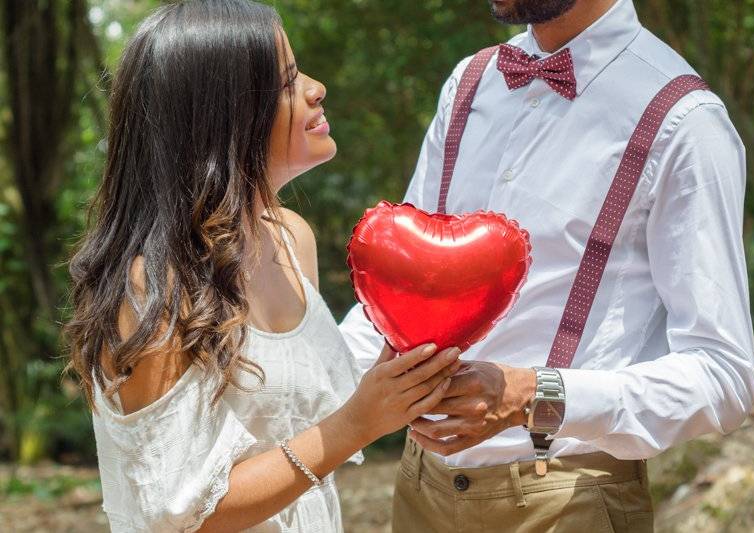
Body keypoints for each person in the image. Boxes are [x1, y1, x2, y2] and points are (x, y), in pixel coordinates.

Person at [339, 0, 754, 531]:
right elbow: (393, 293)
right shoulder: (468, 84)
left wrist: (533, 396)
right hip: (419, 489)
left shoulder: (684, 120)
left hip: (567, 499)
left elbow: (723, 375)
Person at [64, 1, 461, 531]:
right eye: (288, 81)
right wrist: (358, 423)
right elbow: (182, 514)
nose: (316, 88)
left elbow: (296, 424)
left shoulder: (292, 238)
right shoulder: (155, 285)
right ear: (224, 115)